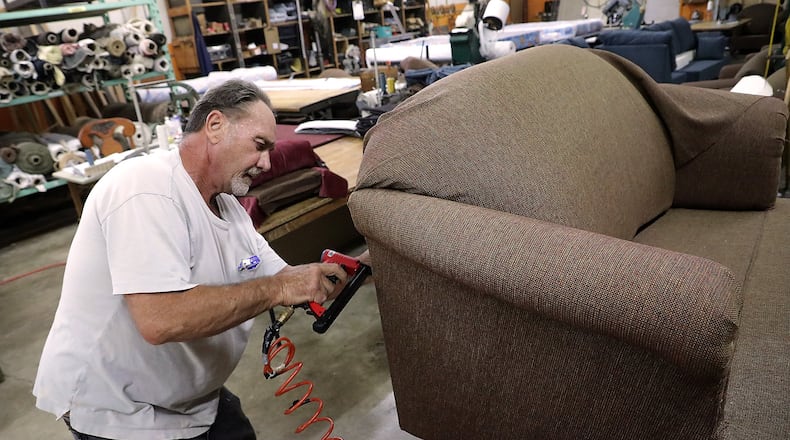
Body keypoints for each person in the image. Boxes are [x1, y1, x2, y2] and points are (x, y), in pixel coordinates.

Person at [33, 79, 367, 440]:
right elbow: (161, 319)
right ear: (215, 125)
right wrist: (279, 288)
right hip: (120, 410)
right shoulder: (145, 187)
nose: (266, 163)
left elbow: (287, 277)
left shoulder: (228, 207)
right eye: (259, 146)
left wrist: (367, 263)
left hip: (191, 401)